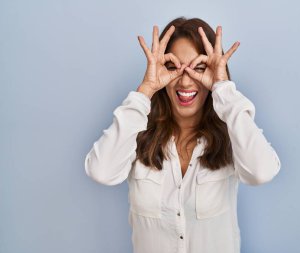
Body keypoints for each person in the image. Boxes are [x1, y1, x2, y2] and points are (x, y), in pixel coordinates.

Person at [84, 16, 281, 253]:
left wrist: (223, 88)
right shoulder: (137, 133)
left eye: (199, 68)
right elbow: (101, 172)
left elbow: (262, 172)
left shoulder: (232, 133)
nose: (186, 81)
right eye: (173, 67)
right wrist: (145, 90)